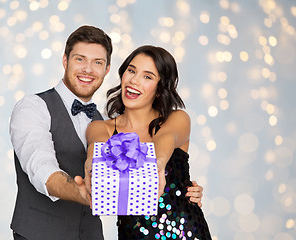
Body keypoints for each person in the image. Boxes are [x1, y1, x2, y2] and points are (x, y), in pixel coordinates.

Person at [10, 25, 204, 240]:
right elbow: (41, 167)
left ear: (107, 69)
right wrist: (84, 187)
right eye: (80, 59)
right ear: (65, 60)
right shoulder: (35, 107)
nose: (88, 69)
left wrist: (176, 183)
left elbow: (166, 138)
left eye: (97, 62)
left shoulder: (100, 118)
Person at [84, 45, 212, 239]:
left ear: (160, 89)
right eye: (132, 70)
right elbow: (97, 150)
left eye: (147, 76)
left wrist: (157, 167)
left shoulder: (177, 119)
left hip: (186, 232)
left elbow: (165, 138)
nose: (134, 80)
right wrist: (92, 167)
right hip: (134, 235)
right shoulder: (101, 128)